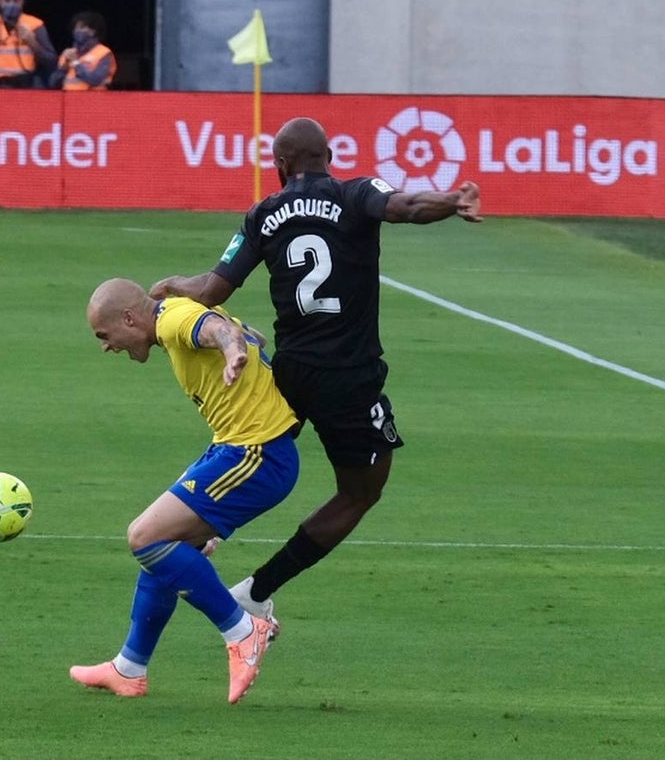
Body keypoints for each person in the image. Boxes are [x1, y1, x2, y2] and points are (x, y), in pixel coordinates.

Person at [150, 116, 481, 622]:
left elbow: (211, 291)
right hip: (349, 379)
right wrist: (453, 200)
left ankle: (196, 531)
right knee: (359, 492)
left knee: (251, 448)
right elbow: (409, 207)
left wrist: (174, 282)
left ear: (280, 164)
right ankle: (256, 591)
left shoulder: (263, 213)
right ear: (328, 156)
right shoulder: (356, 192)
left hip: (290, 374)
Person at [70, 278, 299, 704]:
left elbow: (215, 328)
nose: (106, 346)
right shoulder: (172, 317)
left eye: (105, 335)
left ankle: (243, 630)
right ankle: (129, 669)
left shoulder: (175, 319)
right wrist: (244, 339)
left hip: (257, 454)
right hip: (234, 449)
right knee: (164, 547)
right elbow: (243, 331)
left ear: (128, 318)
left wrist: (232, 347)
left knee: (144, 536)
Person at [50, 11, 117, 91]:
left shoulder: (104, 53)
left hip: (94, 99)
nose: (77, 31)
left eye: (82, 27)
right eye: (75, 28)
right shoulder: (67, 54)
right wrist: (64, 67)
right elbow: (52, 83)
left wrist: (76, 63)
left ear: (93, 31)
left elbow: (96, 80)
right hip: (68, 100)